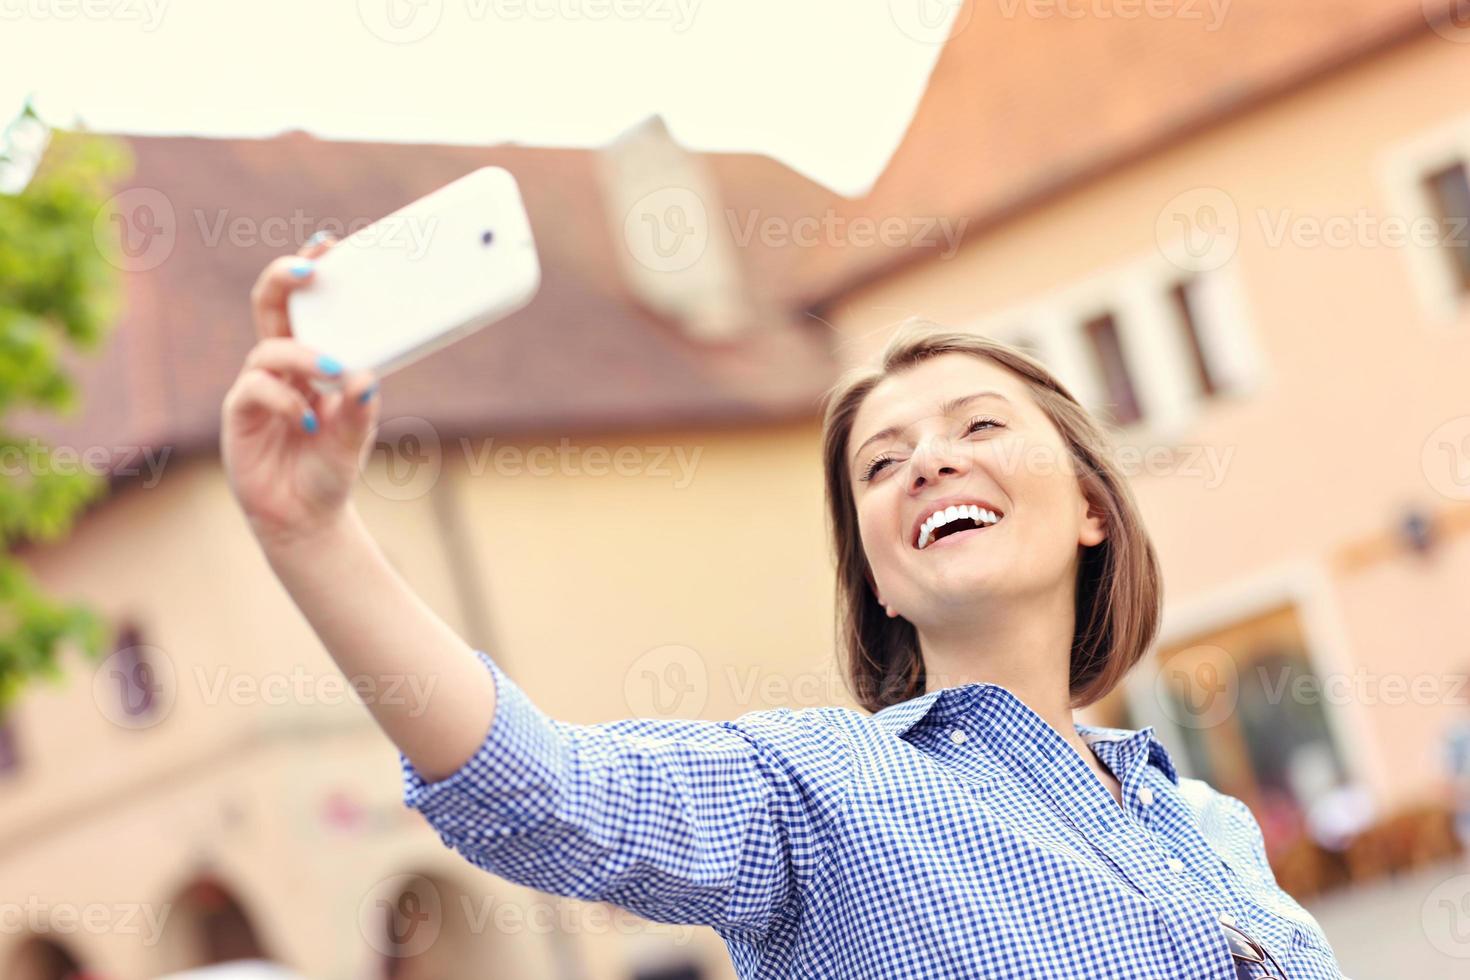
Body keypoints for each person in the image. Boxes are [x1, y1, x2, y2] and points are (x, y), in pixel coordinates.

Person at [221, 235, 1345, 978]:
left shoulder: (1204, 821)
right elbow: (545, 788)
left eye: (979, 425)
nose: (929, 463)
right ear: (882, 577)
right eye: (883, 461)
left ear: (1093, 507)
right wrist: (313, 534)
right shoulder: (813, 790)